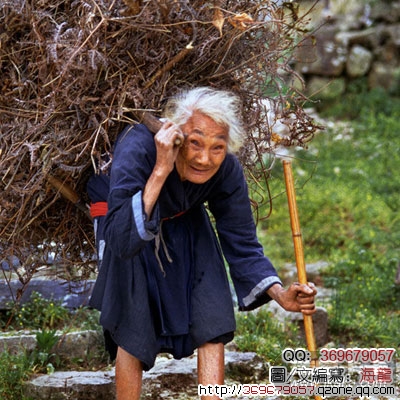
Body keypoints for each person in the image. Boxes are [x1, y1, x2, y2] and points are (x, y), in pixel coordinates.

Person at [89, 87, 317, 400]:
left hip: (184, 214)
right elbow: (121, 237)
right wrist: (161, 168)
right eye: (195, 143)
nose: (204, 158)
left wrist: (280, 294)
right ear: (176, 134)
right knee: (133, 312)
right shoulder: (137, 146)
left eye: (217, 148)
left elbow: (243, 243)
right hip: (128, 220)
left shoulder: (226, 169)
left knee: (211, 306)